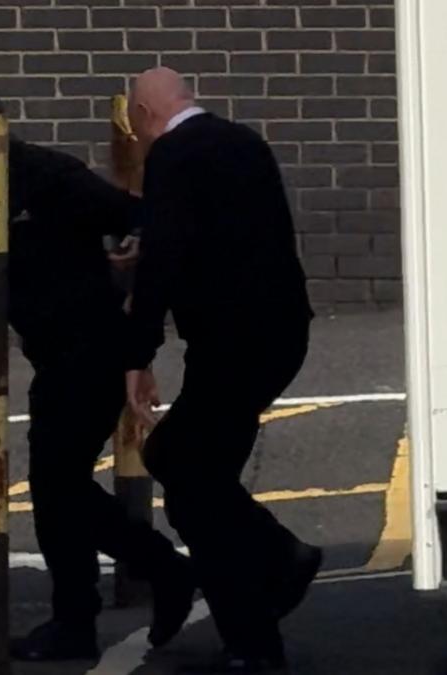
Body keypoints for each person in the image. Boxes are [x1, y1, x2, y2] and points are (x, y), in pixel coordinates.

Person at [0, 85, 195, 661]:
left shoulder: (45, 175)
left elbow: (133, 214)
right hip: (63, 354)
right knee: (58, 490)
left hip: (87, 351)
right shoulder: (8, 184)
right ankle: (94, 605)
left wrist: (126, 257)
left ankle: (143, 580)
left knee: (58, 489)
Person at [124, 68, 323, 672]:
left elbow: (163, 257)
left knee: (191, 476)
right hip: (279, 333)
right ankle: (275, 561)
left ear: (140, 114)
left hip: (230, 343)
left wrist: (138, 356)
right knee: (187, 471)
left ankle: (259, 626)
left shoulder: (171, 155)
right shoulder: (245, 141)